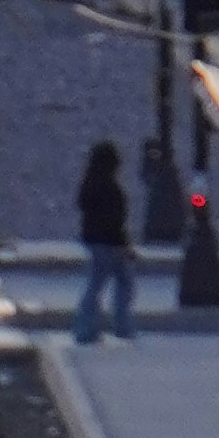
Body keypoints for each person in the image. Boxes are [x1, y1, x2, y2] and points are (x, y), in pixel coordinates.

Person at [72, 136, 138, 345]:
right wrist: (124, 245)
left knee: (99, 284)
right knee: (117, 284)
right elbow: (115, 220)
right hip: (110, 242)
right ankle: (116, 326)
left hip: (96, 240)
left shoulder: (90, 184)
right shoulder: (109, 188)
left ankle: (90, 328)